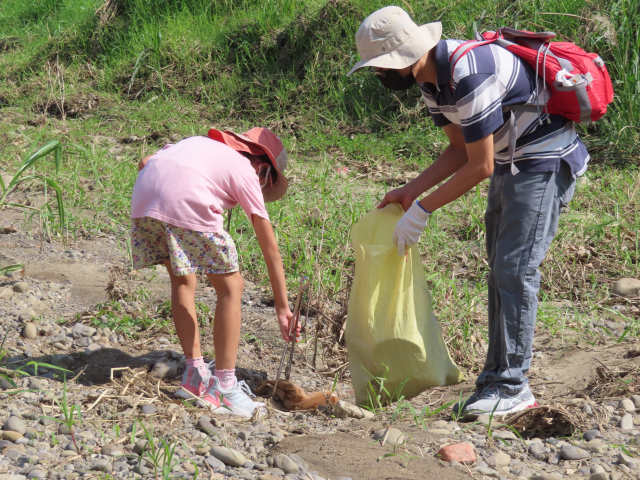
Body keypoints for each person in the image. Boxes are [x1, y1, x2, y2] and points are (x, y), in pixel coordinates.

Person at [348, 6, 588, 417]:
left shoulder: (467, 74)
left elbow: (481, 165)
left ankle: (513, 386)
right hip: (515, 160)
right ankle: (494, 382)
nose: (378, 75)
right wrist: (410, 191)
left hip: (544, 160)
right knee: (500, 269)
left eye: (381, 66)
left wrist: (422, 210)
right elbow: (460, 149)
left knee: (516, 269)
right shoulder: (432, 84)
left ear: (405, 57)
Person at [130, 127, 298, 418]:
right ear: (264, 170)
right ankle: (225, 388)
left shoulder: (196, 144)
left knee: (183, 280)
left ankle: (195, 377)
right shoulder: (246, 169)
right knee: (231, 287)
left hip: (145, 199)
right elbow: (268, 244)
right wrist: (283, 307)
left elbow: (145, 161)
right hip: (186, 200)